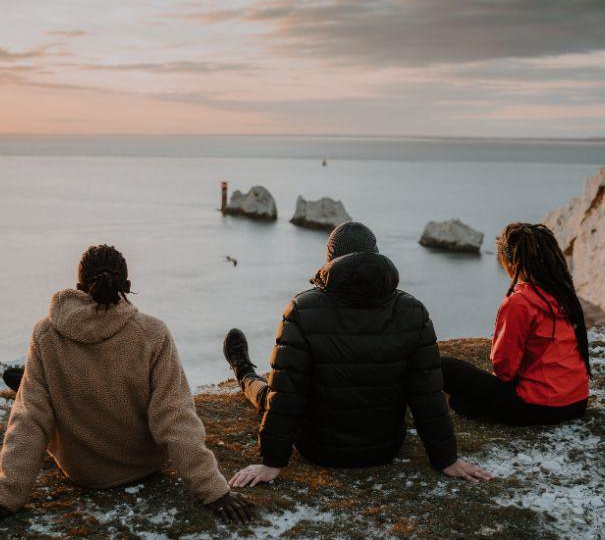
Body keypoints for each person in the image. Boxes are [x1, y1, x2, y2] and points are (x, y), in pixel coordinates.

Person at [223, 222, 492, 487]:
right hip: (384, 448)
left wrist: (272, 462)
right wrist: (446, 459)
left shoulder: (301, 309)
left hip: (318, 448)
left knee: (270, 393)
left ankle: (243, 370)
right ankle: (244, 369)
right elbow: (427, 394)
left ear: (330, 261)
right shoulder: (413, 310)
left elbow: (287, 394)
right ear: (375, 256)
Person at [0, 245, 253, 524]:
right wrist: (214, 491)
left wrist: (7, 495)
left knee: (37, 396)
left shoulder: (45, 334)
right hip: (142, 465)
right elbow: (175, 420)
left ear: (78, 288)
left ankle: (32, 377)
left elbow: (29, 421)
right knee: (175, 400)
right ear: (128, 286)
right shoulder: (153, 334)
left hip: (81, 471)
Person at [441, 223, 590, 425]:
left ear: (511, 263)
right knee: (466, 400)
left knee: (445, 367)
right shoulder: (564, 294)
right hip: (577, 402)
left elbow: (504, 369)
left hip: (538, 407)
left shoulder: (519, 302)